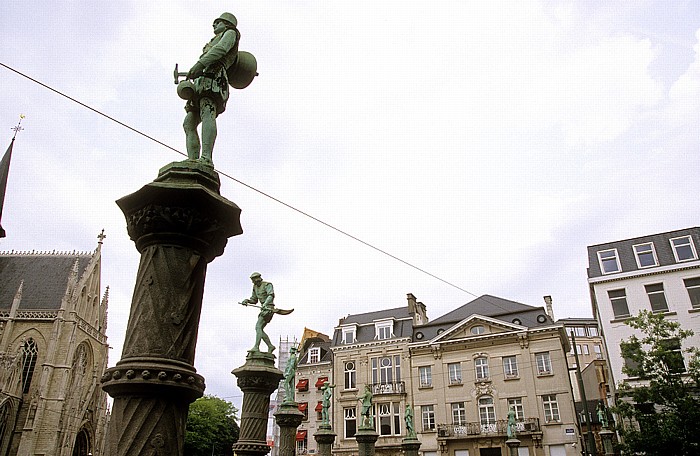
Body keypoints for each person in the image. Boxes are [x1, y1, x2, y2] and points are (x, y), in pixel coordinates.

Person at [183, 12, 240, 163]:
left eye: (218, 22)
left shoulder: (230, 33)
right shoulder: (212, 40)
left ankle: (206, 158)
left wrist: (200, 64)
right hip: (202, 79)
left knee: (207, 110)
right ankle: (192, 160)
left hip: (215, 76)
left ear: (226, 24)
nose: (214, 24)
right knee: (189, 122)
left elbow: (221, 49)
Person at [241, 272, 276, 353]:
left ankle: (256, 347)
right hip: (263, 309)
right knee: (259, 329)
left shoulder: (267, 285)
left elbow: (271, 295)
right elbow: (254, 300)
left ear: (258, 279)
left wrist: (265, 304)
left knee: (258, 327)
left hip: (269, 308)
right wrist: (247, 301)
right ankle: (270, 346)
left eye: (254, 280)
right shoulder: (255, 287)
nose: (253, 282)